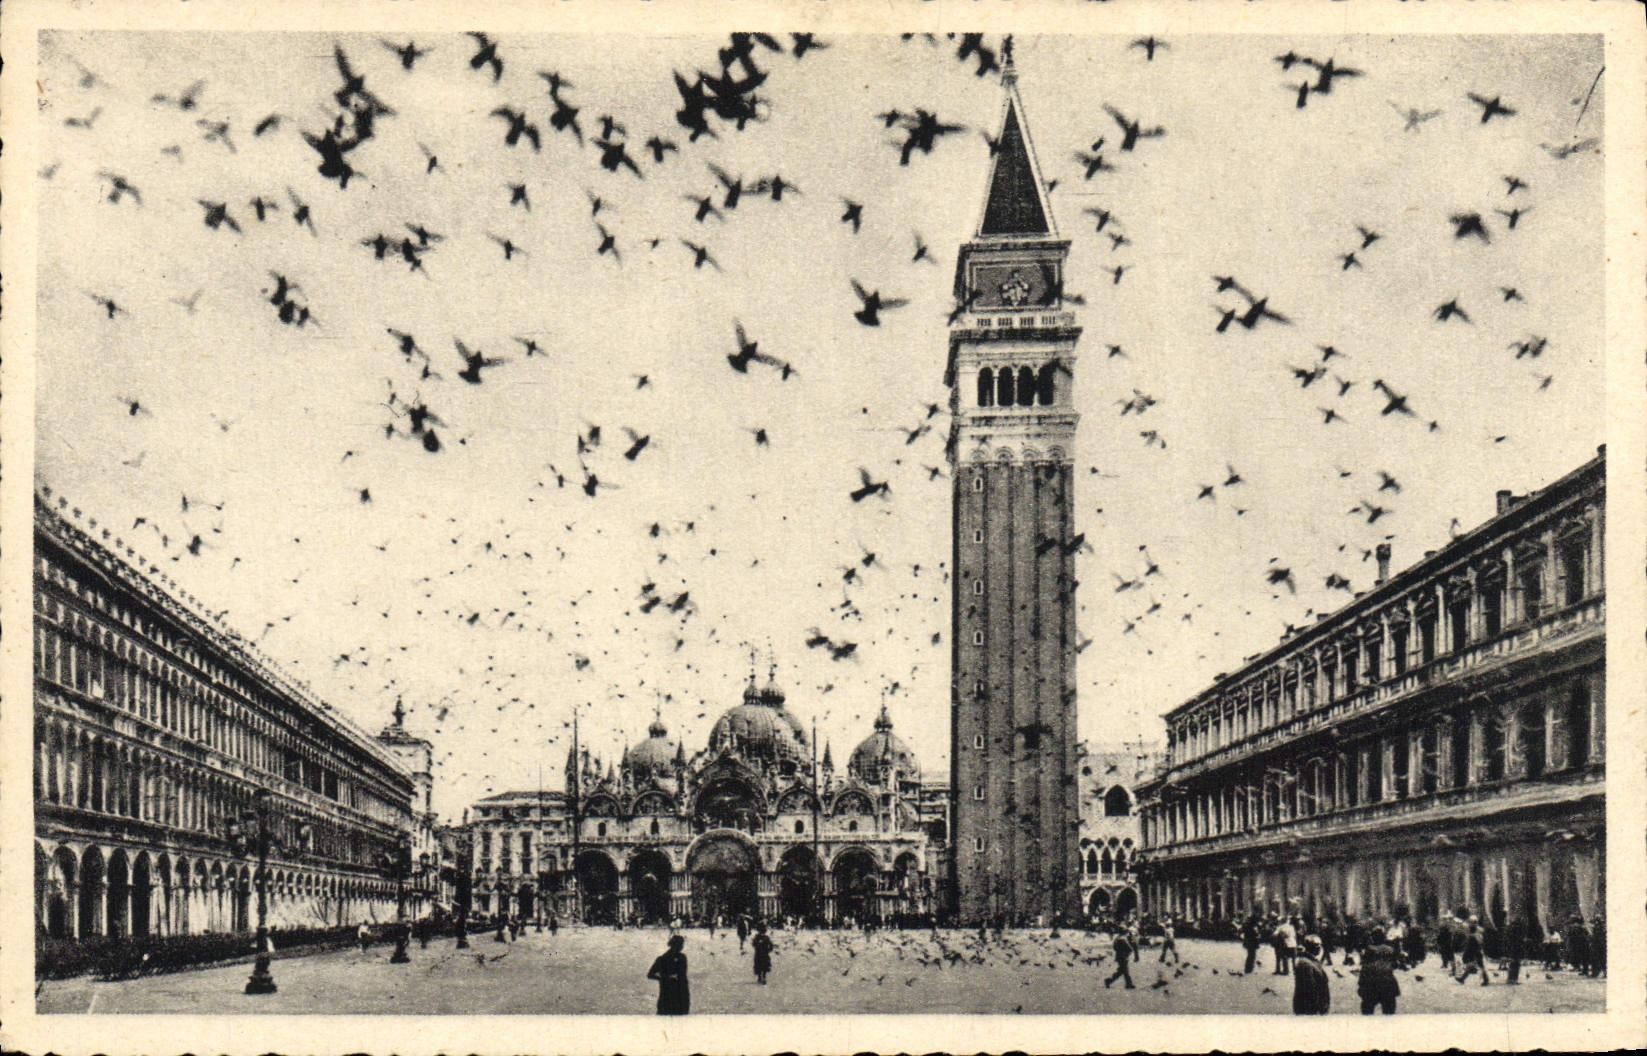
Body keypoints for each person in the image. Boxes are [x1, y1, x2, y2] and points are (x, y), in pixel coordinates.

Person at [1357, 926, 1401, 1014]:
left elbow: (1364, 965)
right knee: (1389, 1012)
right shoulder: (1389, 950)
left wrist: (1361, 983)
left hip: (1371, 983)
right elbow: (1395, 964)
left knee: (1367, 1011)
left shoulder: (1369, 949)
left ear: (1373, 937)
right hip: (1387, 982)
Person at [647, 934, 690, 1015]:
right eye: (681, 944)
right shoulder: (680, 958)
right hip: (677, 995)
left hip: (668, 994)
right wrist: (668, 977)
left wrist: (663, 977)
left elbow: (650, 974)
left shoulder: (663, 958)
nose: (682, 947)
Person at [1292, 936, 1331, 1015]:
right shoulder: (1305, 964)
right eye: (1316, 945)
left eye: (1320, 945)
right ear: (1310, 947)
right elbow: (1310, 988)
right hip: (1309, 1007)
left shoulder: (1312, 961)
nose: (1319, 948)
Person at [1457, 918, 1489, 986]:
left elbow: (1480, 941)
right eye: (1471, 922)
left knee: (1479, 965)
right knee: (1473, 964)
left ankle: (1485, 979)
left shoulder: (1478, 931)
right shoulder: (1471, 930)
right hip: (1471, 949)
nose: (1471, 924)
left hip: (1476, 950)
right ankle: (1462, 978)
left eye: (1473, 922)